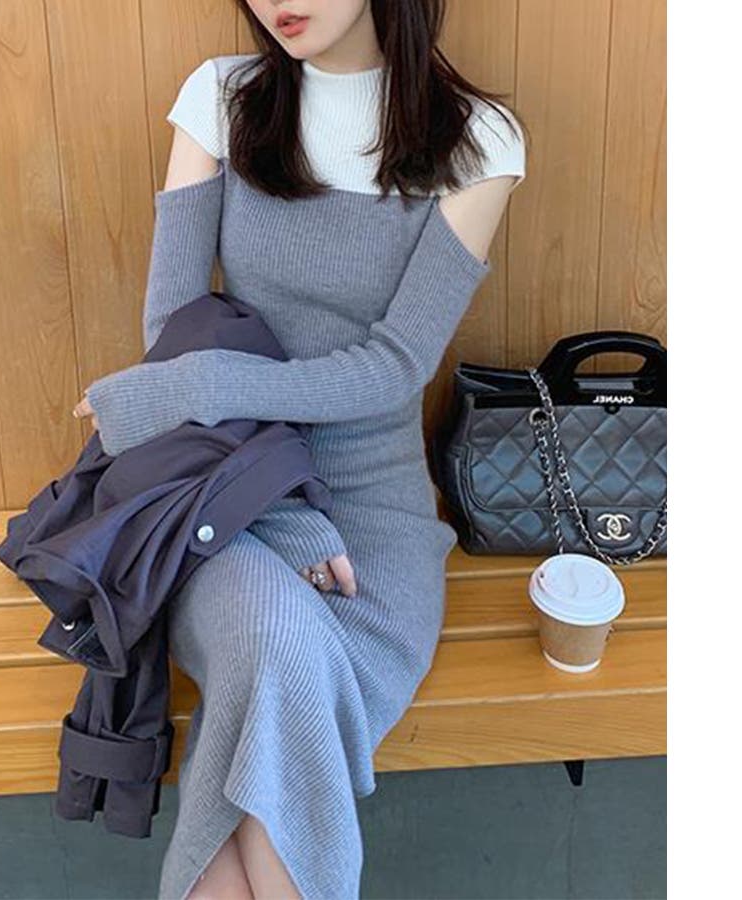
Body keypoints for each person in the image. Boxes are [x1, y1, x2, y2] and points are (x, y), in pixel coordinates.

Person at [73, 1, 526, 897]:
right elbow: (175, 328)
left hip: (374, 517)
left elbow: (393, 367)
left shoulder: (478, 141)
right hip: (220, 498)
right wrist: (277, 505)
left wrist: (204, 385)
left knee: (279, 697)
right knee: (276, 644)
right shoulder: (221, 100)